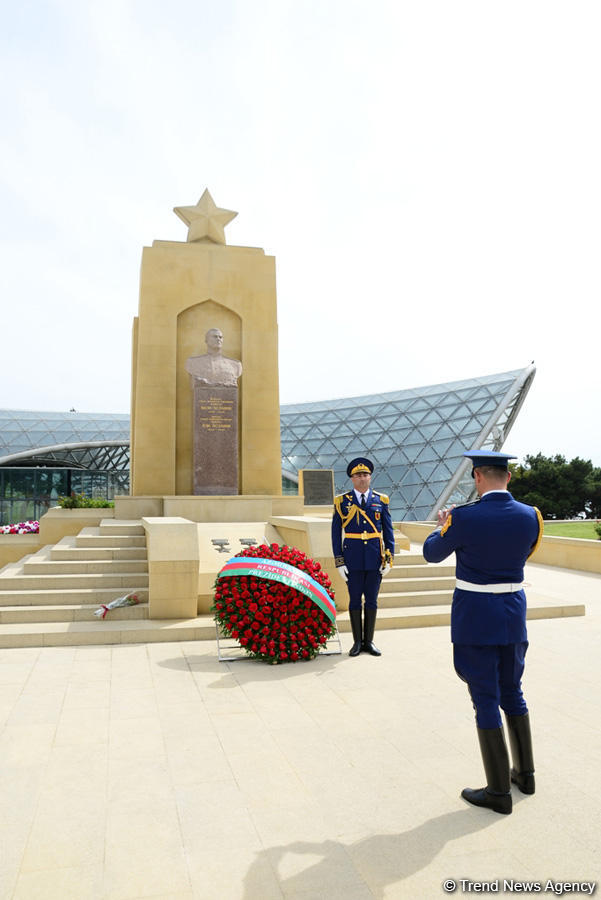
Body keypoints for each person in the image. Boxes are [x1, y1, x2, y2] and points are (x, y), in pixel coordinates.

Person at [423, 450, 543, 815]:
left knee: (486, 698)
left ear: (477, 477)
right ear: (507, 478)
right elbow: (522, 555)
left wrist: (443, 524)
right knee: (513, 691)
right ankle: (525, 775)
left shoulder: (463, 518)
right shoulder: (531, 517)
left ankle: (497, 792)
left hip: (476, 616)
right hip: (512, 612)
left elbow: (432, 553)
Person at [331, 457, 395, 657]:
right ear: (352, 478)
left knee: (372, 601)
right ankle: (357, 642)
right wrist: (339, 561)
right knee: (354, 601)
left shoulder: (380, 500)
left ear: (370, 477)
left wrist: (389, 558)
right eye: (358, 475)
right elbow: (335, 533)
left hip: (375, 558)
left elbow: (388, 531)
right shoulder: (342, 502)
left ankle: (370, 641)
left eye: (365, 475)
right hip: (353, 558)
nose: (362, 478)